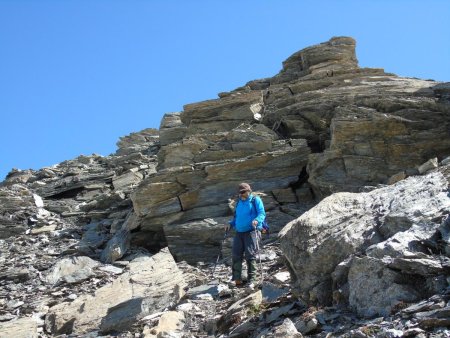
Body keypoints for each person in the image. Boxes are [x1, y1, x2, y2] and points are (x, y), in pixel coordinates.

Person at [226, 182, 266, 288]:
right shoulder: (239, 202)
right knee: (236, 254)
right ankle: (237, 280)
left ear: (249, 191)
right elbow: (236, 217)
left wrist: (257, 220)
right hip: (239, 232)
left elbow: (262, 213)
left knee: (250, 255)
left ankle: (252, 280)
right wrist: (230, 224)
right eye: (240, 192)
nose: (242, 194)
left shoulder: (255, 200)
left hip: (252, 231)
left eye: (244, 192)